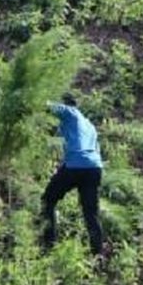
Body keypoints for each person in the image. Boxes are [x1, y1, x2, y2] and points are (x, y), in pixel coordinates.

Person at [40, 93, 104, 256]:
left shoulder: (69, 112)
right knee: (91, 213)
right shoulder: (89, 125)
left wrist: (29, 100)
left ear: (68, 105)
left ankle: (49, 246)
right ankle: (97, 254)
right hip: (94, 168)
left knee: (48, 200)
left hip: (76, 165)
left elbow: (47, 105)